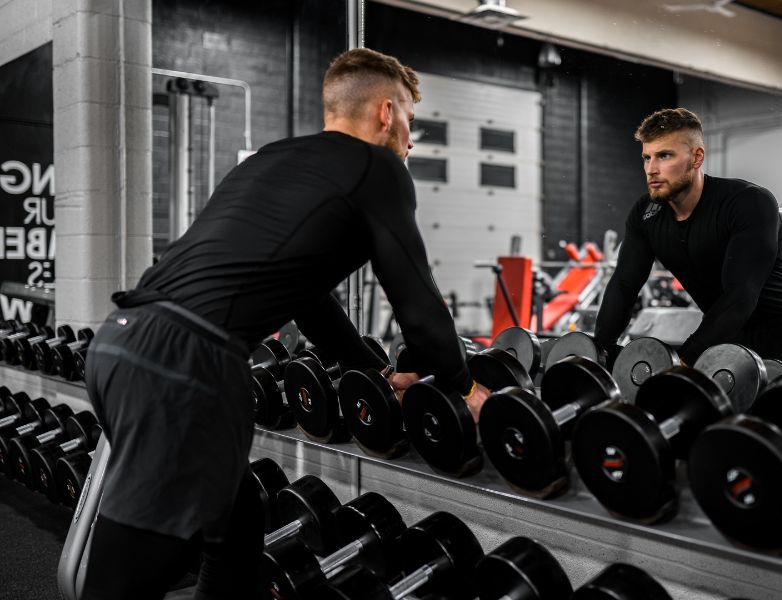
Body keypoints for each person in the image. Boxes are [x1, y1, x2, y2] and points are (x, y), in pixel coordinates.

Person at [78, 48, 489, 600]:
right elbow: (418, 302)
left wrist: (370, 370)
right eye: (411, 121)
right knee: (128, 575)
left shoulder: (270, 159)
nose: (411, 140)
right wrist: (465, 386)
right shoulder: (379, 168)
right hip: (187, 363)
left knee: (239, 519)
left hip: (121, 339)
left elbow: (311, 303)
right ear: (386, 113)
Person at [594, 107, 782, 367]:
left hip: (779, 332)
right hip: (720, 328)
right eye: (646, 157)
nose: (651, 169)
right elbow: (624, 285)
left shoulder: (748, 202)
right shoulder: (645, 214)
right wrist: (600, 351)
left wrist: (686, 358)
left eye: (664, 156)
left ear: (696, 158)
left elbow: (741, 295)